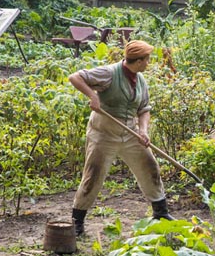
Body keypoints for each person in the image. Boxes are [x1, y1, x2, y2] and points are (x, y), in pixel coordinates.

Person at [68, 40, 174, 237]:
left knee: (150, 167)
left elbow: (144, 109)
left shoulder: (140, 80)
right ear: (138, 60)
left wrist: (143, 130)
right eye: (147, 59)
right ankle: (77, 222)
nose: (148, 63)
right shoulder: (109, 73)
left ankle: (161, 213)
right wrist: (93, 96)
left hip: (130, 133)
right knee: (93, 176)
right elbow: (75, 77)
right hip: (104, 134)